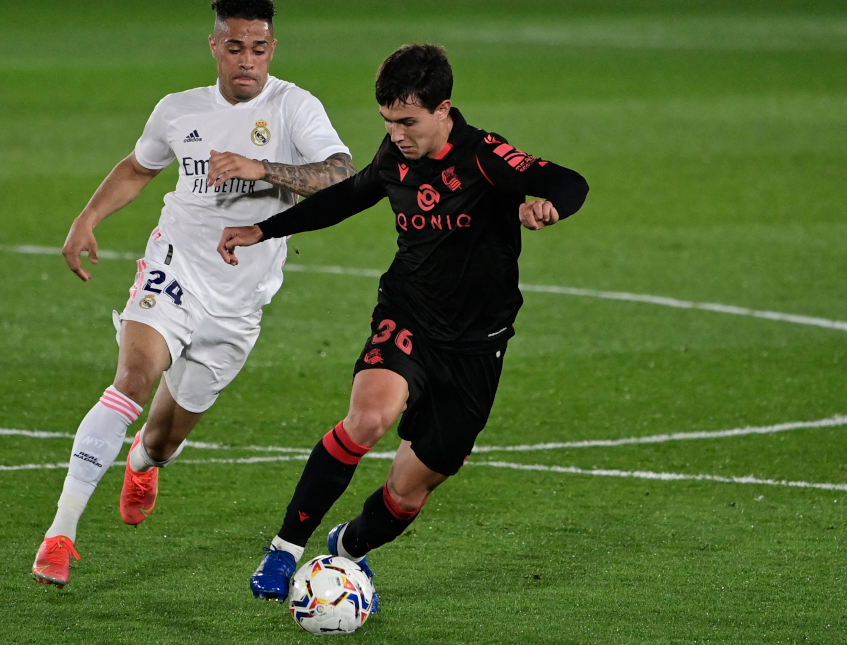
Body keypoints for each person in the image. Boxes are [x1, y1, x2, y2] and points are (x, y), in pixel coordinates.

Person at [218, 44, 589, 605]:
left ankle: (348, 546)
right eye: (388, 122)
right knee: (367, 420)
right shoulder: (396, 157)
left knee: (409, 492)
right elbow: (348, 195)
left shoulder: (486, 156)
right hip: (408, 314)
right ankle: (284, 549)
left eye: (408, 122)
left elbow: (566, 179)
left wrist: (549, 207)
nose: (396, 133)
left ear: (444, 109)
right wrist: (263, 229)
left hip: (475, 346)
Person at [32, 0, 355, 588]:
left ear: (272, 48)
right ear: (214, 47)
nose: (247, 61)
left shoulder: (295, 108)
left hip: (239, 305)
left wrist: (265, 169)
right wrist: (87, 218)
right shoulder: (179, 110)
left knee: (162, 436)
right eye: (235, 48)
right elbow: (138, 167)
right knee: (131, 379)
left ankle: (143, 462)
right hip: (174, 268)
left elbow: (343, 176)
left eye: (259, 48)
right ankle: (60, 534)